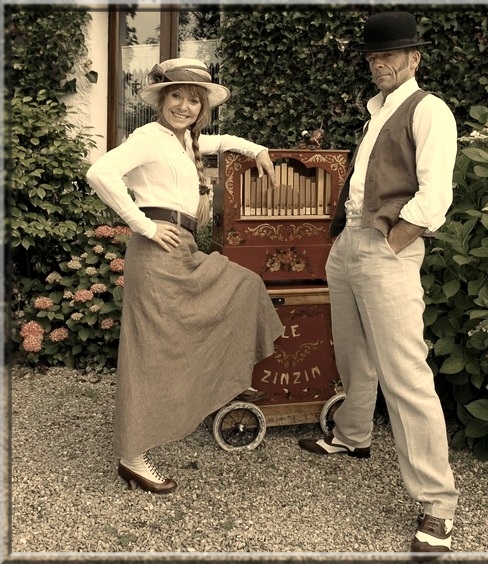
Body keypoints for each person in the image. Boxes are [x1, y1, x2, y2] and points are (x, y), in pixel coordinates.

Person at [298, 12, 460, 553]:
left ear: (414, 58)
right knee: (353, 353)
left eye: (388, 54)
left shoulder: (429, 109)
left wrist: (394, 243)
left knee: (405, 371)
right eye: (372, 56)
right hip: (350, 244)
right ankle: (353, 437)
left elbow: (436, 196)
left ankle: (438, 505)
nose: (379, 62)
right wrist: (348, 239)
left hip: (387, 246)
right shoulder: (376, 111)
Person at [86, 58, 284, 494]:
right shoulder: (149, 137)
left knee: (243, 286)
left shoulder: (182, 142)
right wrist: (145, 225)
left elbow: (222, 141)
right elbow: (99, 172)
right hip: (158, 251)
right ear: (161, 99)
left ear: (201, 108)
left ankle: (226, 378)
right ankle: (133, 457)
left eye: (194, 100)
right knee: (151, 352)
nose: (184, 106)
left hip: (184, 249)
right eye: (176, 96)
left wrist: (256, 150)